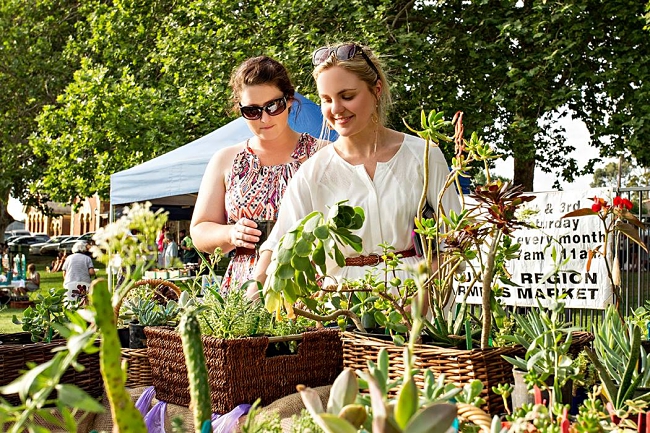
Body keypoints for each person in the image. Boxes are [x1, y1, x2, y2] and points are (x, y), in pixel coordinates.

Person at [252, 43, 460, 296]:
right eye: (326, 99)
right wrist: (251, 295)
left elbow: (454, 242)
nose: (336, 109)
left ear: (377, 90)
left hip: (418, 309)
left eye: (347, 96)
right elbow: (279, 245)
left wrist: (421, 300)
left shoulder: (423, 156)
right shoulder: (312, 173)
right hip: (343, 310)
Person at [190, 56, 321, 292]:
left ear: (290, 100)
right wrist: (231, 233)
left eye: (273, 106)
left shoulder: (321, 154)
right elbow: (199, 231)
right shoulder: (226, 159)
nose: (264, 118)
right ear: (240, 109)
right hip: (244, 289)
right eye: (252, 111)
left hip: (308, 285)